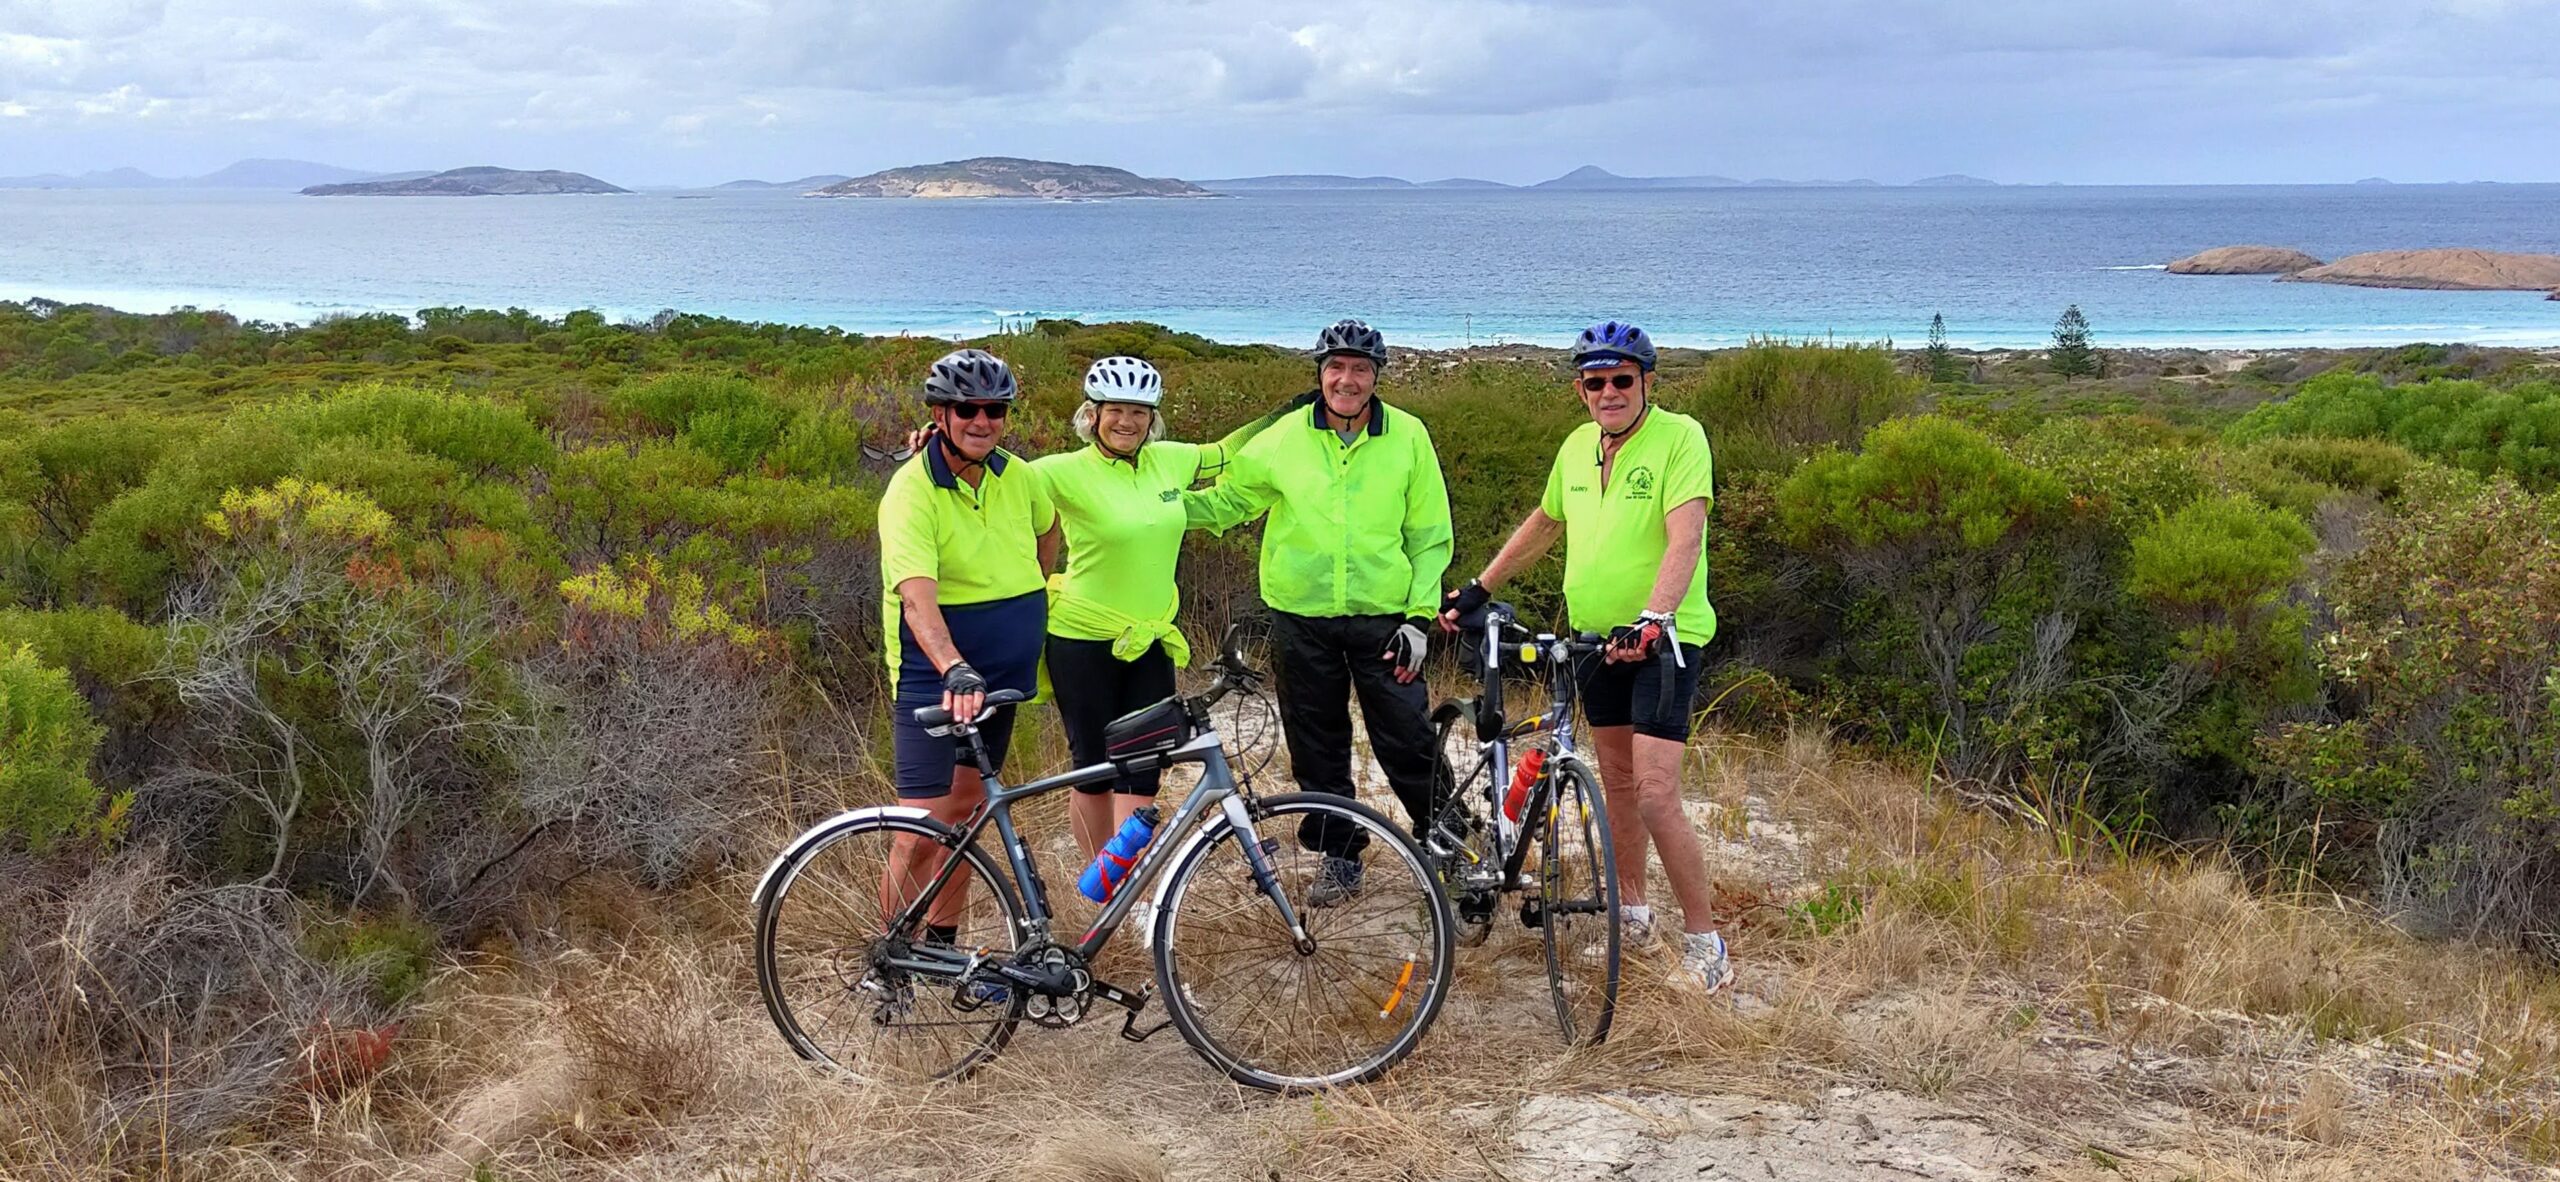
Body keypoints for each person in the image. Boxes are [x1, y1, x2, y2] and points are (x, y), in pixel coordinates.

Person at [1439, 320, 1734, 993]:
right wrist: (1481, 587)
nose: (1609, 392)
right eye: (1595, 381)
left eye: (1622, 380)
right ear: (1580, 389)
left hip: (1665, 641)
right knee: (1620, 788)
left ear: (1646, 382)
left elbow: (1685, 537)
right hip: (1595, 642)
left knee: (1658, 796)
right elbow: (1545, 522)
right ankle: (1631, 912)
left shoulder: (1679, 438)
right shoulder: (1576, 448)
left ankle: (1707, 945)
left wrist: (1656, 617)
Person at [1186, 319, 1453, 905]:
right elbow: (1232, 499)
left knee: (1408, 737)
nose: (1347, 379)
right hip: (1300, 619)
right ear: (1320, 373)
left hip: (1386, 619)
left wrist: (1420, 617)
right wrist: (1152, 508)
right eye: (1336, 367)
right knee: (1317, 744)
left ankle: (1449, 846)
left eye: (1360, 369)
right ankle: (1339, 854)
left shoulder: (1408, 436)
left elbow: (1430, 535)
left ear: (1376, 378)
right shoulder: (1284, 436)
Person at [1031, 356, 1286, 861]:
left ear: (1153, 419)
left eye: (1140, 412)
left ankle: (1127, 878)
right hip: (1082, 637)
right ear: (1092, 415)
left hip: (1150, 638)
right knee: (1092, 766)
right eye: (1116, 410)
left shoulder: (1170, 460)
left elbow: (1226, 451)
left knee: (1144, 764)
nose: (1127, 422)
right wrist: (935, 441)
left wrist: (1294, 412)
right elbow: (993, 475)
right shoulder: (1056, 472)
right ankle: (1098, 884)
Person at [876, 348, 1059, 949]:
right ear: (940, 413)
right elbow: (917, 600)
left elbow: (1048, 530)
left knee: (966, 820)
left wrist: (1031, 590)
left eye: (995, 410)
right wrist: (953, 666)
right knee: (921, 827)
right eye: (967, 409)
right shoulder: (911, 491)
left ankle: (943, 947)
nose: (983, 421)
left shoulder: (1021, 476)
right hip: (937, 680)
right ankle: (891, 960)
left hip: (1000, 679)